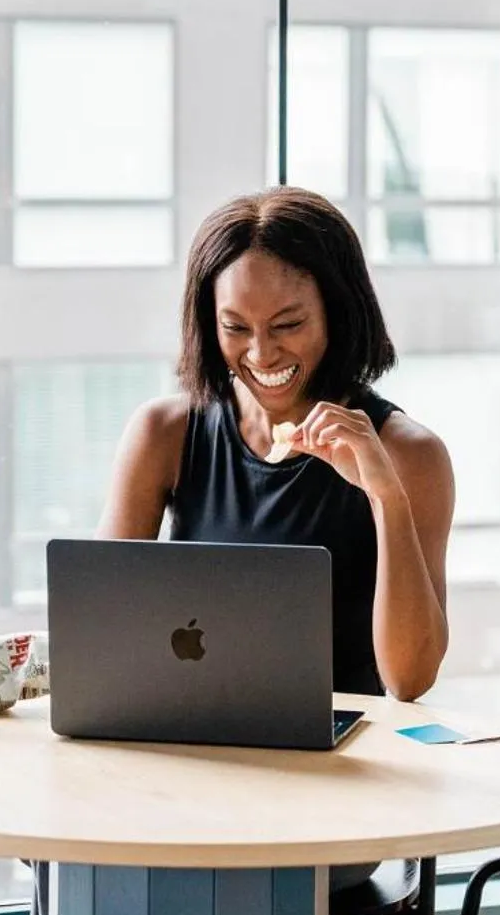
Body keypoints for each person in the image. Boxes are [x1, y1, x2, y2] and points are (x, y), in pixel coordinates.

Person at [99, 187, 453, 704]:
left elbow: (409, 679)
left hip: (338, 765)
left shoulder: (409, 454)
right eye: (235, 328)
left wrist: (384, 496)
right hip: (193, 738)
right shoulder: (163, 433)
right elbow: (100, 628)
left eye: (288, 324)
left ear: (336, 312)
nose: (262, 353)